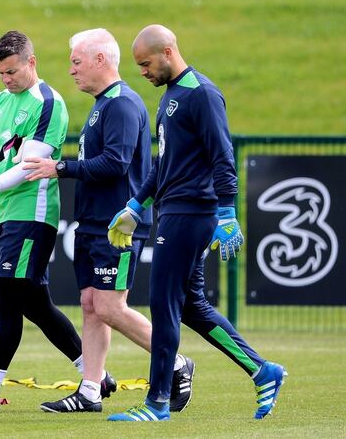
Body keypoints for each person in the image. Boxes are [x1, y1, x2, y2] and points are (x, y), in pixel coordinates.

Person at [106, 24, 286, 422]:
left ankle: (156, 403)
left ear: (168, 52)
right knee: (190, 306)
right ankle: (263, 371)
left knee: (163, 303)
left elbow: (223, 155)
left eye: (146, 63)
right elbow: (164, 165)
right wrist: (135, 206)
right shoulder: (170, 96)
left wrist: (226, 212)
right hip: (174, 211)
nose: (143, 72)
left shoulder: (202, 94)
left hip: (191, 214)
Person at [0, 30, 114, 413]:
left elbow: (28, 167)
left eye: (12, 72)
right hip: (8, 213)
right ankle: (96, 375)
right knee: (36, 304)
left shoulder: (48, 103)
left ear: (31, 62)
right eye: (0, 73)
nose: (6, 80)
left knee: (7, 299)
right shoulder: (2, 100)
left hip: (32, 216)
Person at [23, 28, 194, 414]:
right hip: (92, 224)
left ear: (101, 60)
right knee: (89, 304)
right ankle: (89, 391)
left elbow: (116, 163)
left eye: (77, 62)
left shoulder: (122, 104)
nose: (71, 70)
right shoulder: (104, 104)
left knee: (110, 307)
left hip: (116, 228)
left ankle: (177, 361)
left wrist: (59, 167)